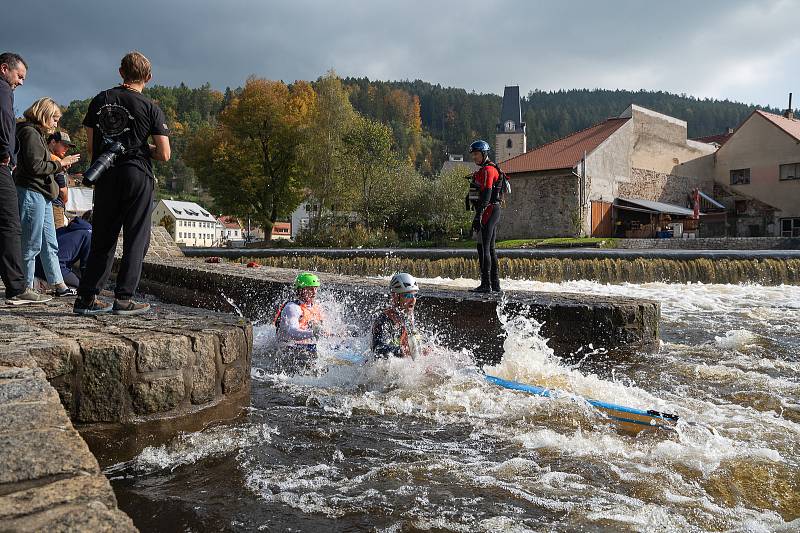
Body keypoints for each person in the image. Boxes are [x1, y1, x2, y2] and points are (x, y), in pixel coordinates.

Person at [74, 51, 170, 316]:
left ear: (120, 73)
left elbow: (92, 148)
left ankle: (86, 299)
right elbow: (164, 154)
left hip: (105, 173)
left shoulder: (99, 100)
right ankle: (124, 299)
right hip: (137, 175)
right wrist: (141, 146)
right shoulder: (150, 107)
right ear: (148, 78)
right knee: (136, 237)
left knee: (103, 238)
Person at [14, 97, 80, 297]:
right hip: (32, 192)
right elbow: (35, 167)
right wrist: (60, 163)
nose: (56, 123)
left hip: (41, 195)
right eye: (54, 119)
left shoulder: (36, 134)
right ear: (44, 115)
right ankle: (25, 287)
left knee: (50, 243)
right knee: (31, 242)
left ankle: (58, 284)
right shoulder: (29, 133)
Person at [1, 52, 51, 305]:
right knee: (10, 226)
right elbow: (4, 121)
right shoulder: (3, 90)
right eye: (19, 76)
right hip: (2, 167)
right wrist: (5, 153)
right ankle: (18, 288)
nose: (21, 82)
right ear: (4, 69)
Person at [466, 140, 502, 293]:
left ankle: (486, 284)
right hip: (491, 210)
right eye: (473, 154)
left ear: (484, 153)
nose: (474, 157)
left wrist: (478, 215)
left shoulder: (488, 170)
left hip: (489, 210)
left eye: (476, 154)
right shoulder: (484, 170)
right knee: (490, 249)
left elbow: (487, 193)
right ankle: (495, 284)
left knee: (483, 248)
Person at [273, 272, 326, 368]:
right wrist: (313, 333)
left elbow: (324, 332)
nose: (314, 292)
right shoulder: (293, 308)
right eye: (310, 289)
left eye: (315, 288)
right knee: (315, 353)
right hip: (288, 347)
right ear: (300, 290)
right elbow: (292, 332)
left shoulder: (316, 308)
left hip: (306, 347)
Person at [371, 272, 423, 359]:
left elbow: (416, 343)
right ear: (395, 297)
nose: (413, 300)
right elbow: (377, 349)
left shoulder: (408, 318)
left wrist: (425, 349)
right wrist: (401, 351)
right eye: (408, 295)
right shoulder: (383, 322)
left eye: (415, 295)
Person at [35, 210, 92, 288]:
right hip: (56, 268)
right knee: (82, 287)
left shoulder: (66, 228)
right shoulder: (88, 234)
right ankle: (47, 285)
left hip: (38, 265)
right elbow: (85, 265)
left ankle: (41, 281)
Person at [47, 131, 75, 229]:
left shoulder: (47, 157)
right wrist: (65, 199)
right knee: (57, 239)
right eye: (64, 145)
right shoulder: (56, 160)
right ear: (53, 142)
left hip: (49, 204)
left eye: (68, 146)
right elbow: (63, 190)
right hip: (55, 206)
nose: (67, 148)